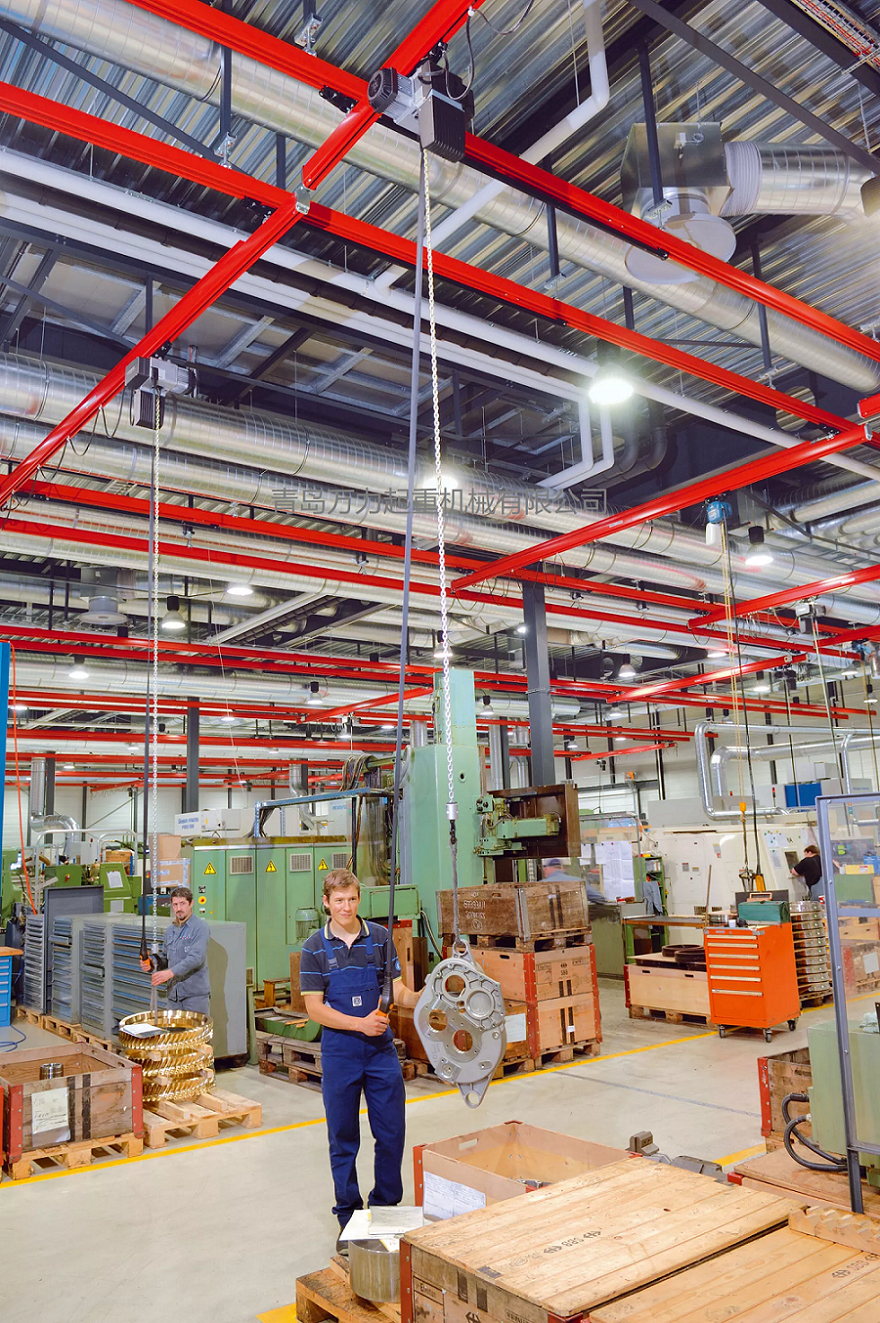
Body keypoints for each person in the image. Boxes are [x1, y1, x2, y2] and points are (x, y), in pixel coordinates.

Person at [299, 868, 420, 1250]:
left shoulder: (380, 938)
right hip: (341, 1054)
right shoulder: (314, 947)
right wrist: (359, 1024)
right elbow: (314, 1008)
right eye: (339, 900)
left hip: (380, 1053)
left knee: (391, 1133)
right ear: (326, 903)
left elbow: (398, 991)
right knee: (343, 1138)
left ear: (358, 899)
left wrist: (427, 996)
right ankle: (349, 1217)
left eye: (352, 899)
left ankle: (384, 1208)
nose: (346, 907)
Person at [151, 886, 211, 1016]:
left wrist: (170, 973)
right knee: (173, 1030)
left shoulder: (200, 927)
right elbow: (165, 959)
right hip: (174, 997)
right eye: (175, 904)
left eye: (182, 904)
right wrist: (151, 963)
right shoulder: (170, 931)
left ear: (191, 903)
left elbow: (196, 958)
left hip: (194, 997)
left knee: (196, 1029)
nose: (178, 908)